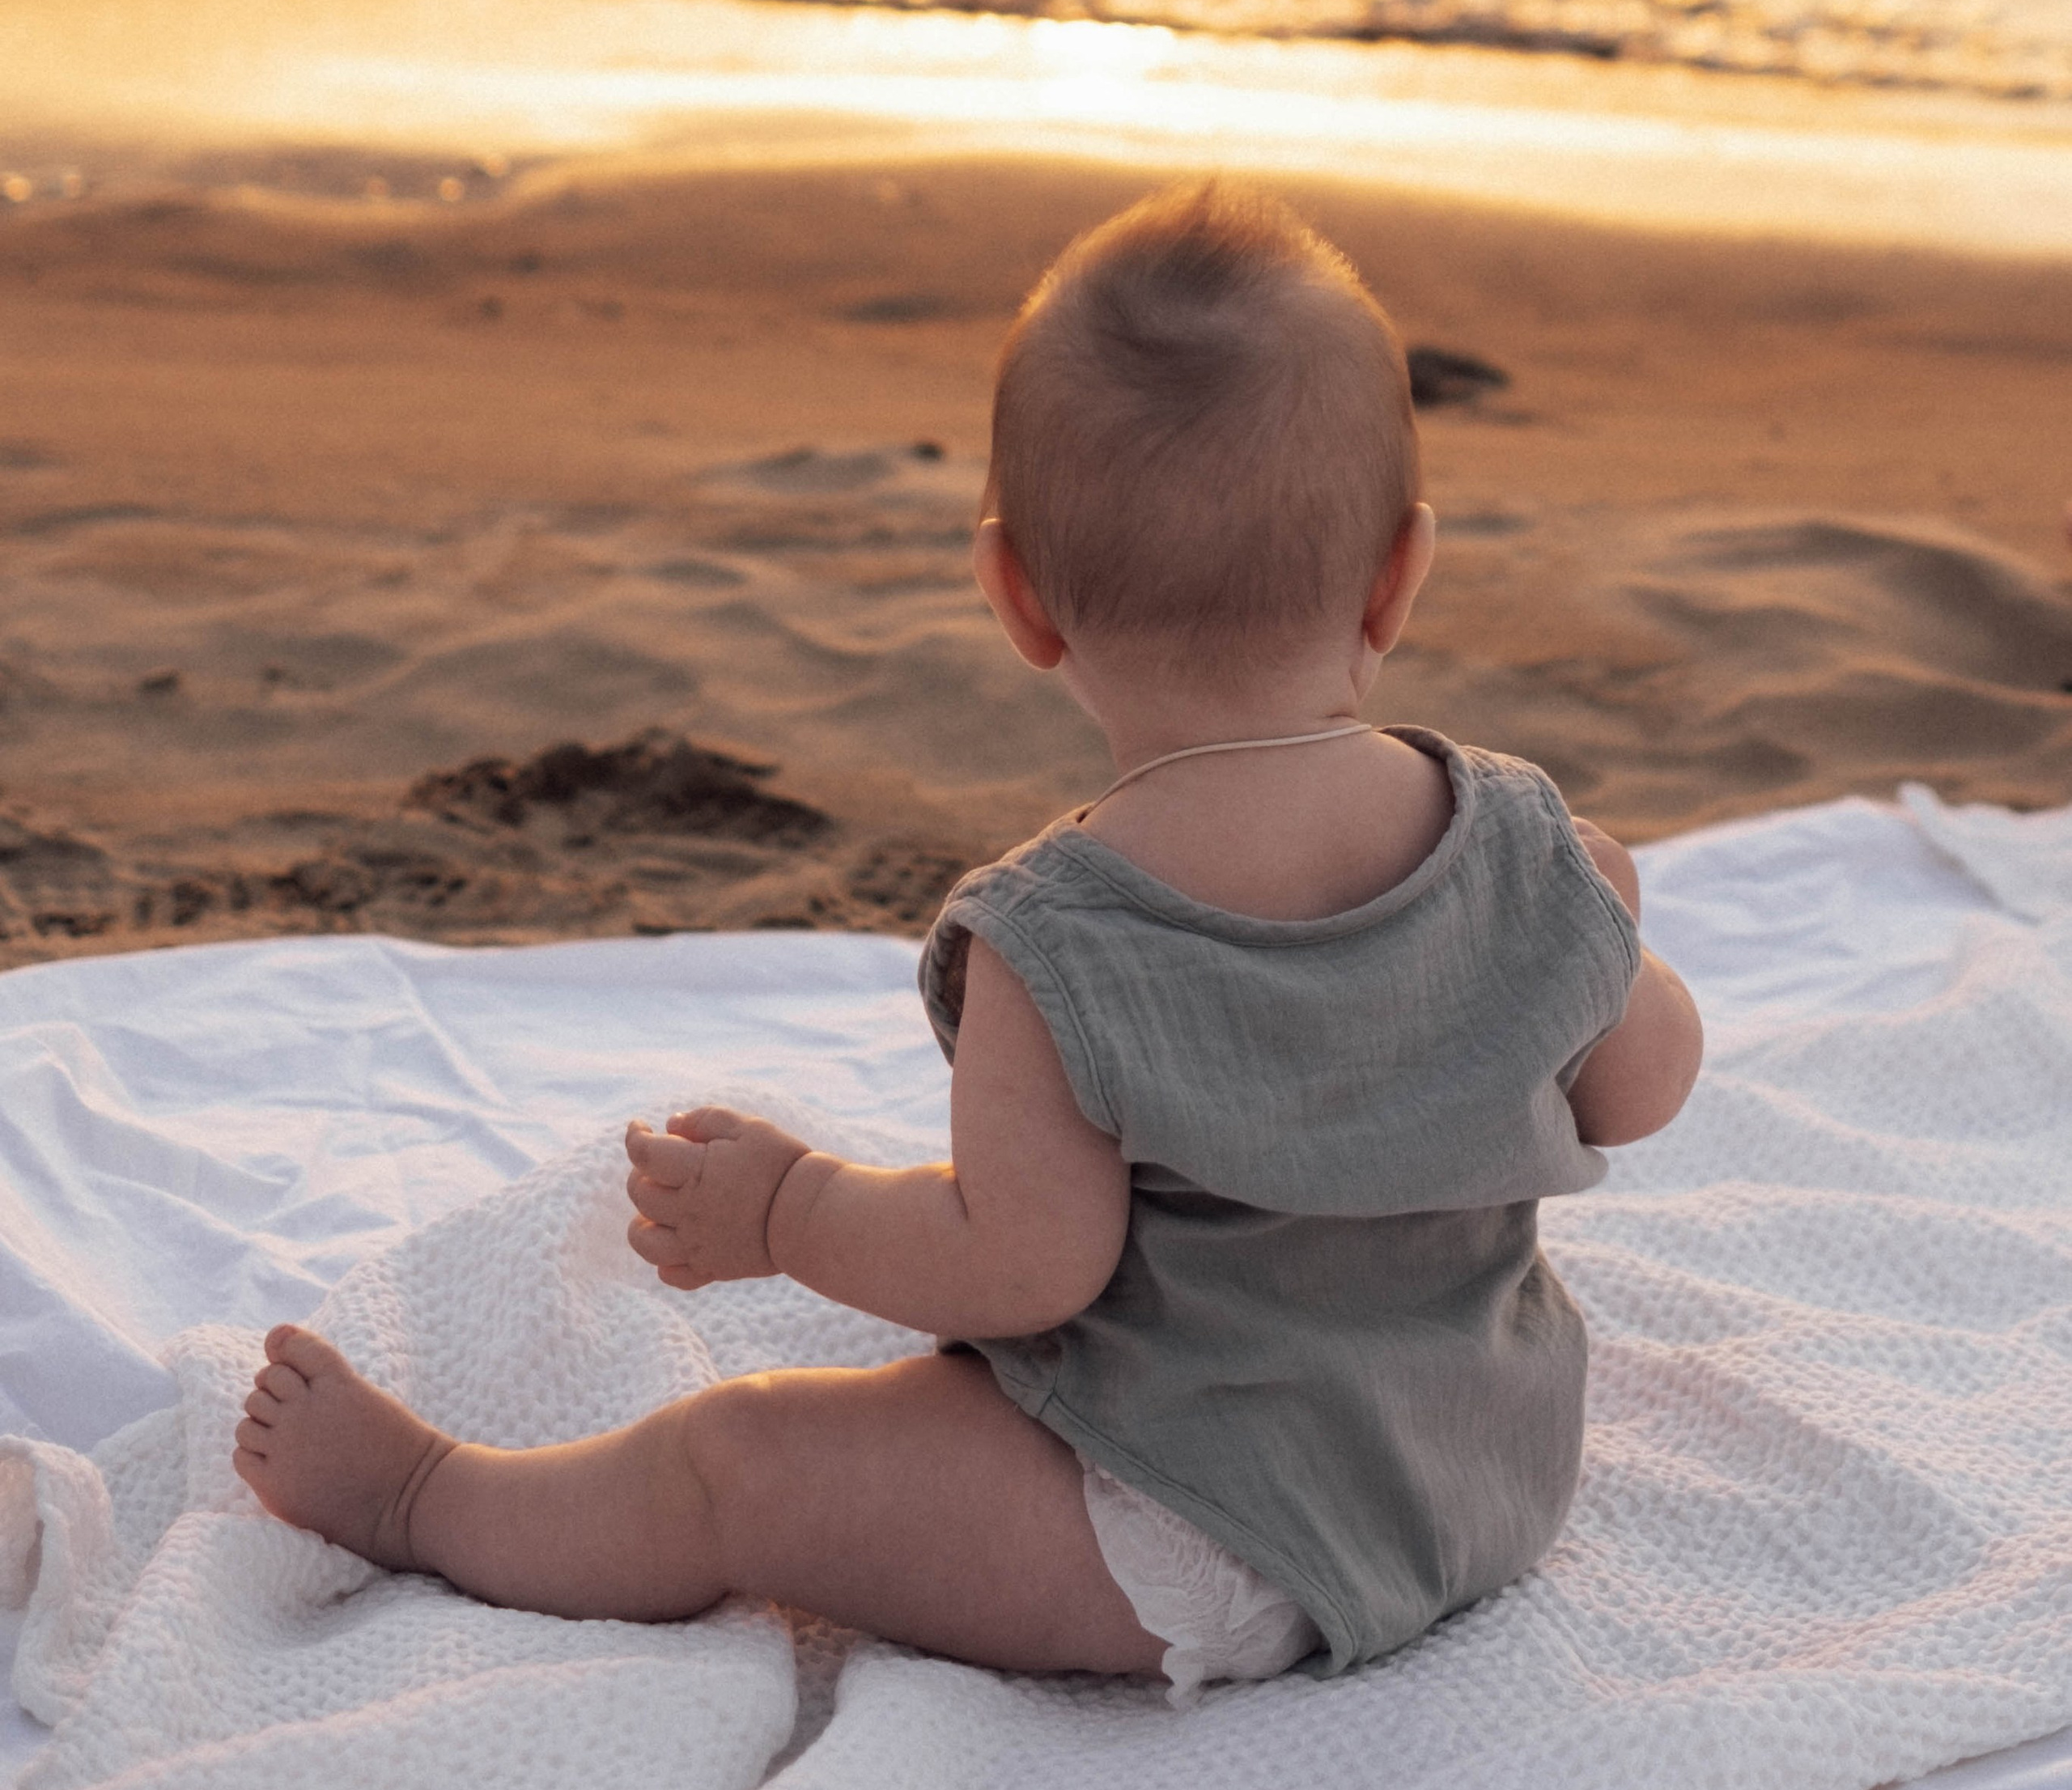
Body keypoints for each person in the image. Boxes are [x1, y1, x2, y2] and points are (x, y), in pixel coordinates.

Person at [235, 182, 1702, 1701]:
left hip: (1189, 1538)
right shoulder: (1521, 846)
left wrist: (793, 1208)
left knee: (740, 1459)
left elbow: (1024, 1271)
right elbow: (1640, 1090)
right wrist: (1601, 933)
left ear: (1014, 596)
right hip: (1485, 1479)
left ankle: (429, 1503)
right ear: (1401, 572)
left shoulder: (1063, 934)